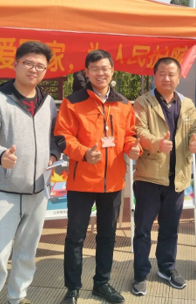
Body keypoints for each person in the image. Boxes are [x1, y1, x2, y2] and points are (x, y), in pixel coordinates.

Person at [0, 41, 61, 304]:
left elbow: (55, 137)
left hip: (38, 193)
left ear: (45, 71)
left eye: (40, 66)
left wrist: (54, 155)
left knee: (27, 253)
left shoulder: (48, 103)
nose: (34, 69)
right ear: (15, 64)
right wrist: (1, 155)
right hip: (5, 193)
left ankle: (18, 296)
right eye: (28, 63)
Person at [54, 49, 141, 304]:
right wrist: (83, 153)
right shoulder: (72, 102)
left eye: (104, 68)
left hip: (113, 183)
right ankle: (72, 288)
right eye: (94, 69)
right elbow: (62, 137)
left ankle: (101, 283)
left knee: (107, 235)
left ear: (112, 71)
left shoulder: (124, 104)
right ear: (86, 72)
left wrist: (133, 147)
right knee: (75, 237)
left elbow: (130, 134)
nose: (100, 73)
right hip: (81, 182)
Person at [131, 57, 196, 295]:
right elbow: (138, 130)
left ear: (179, 77)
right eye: (162, 73)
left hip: (178, 178)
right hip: (149, 177)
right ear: (154, 76)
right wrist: (156, 143)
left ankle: (166, 268)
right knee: (143, 229)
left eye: (171, 74)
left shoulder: (187, 104)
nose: (166, 78)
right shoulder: (143, 102)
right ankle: (140, 273)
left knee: (170, 228)